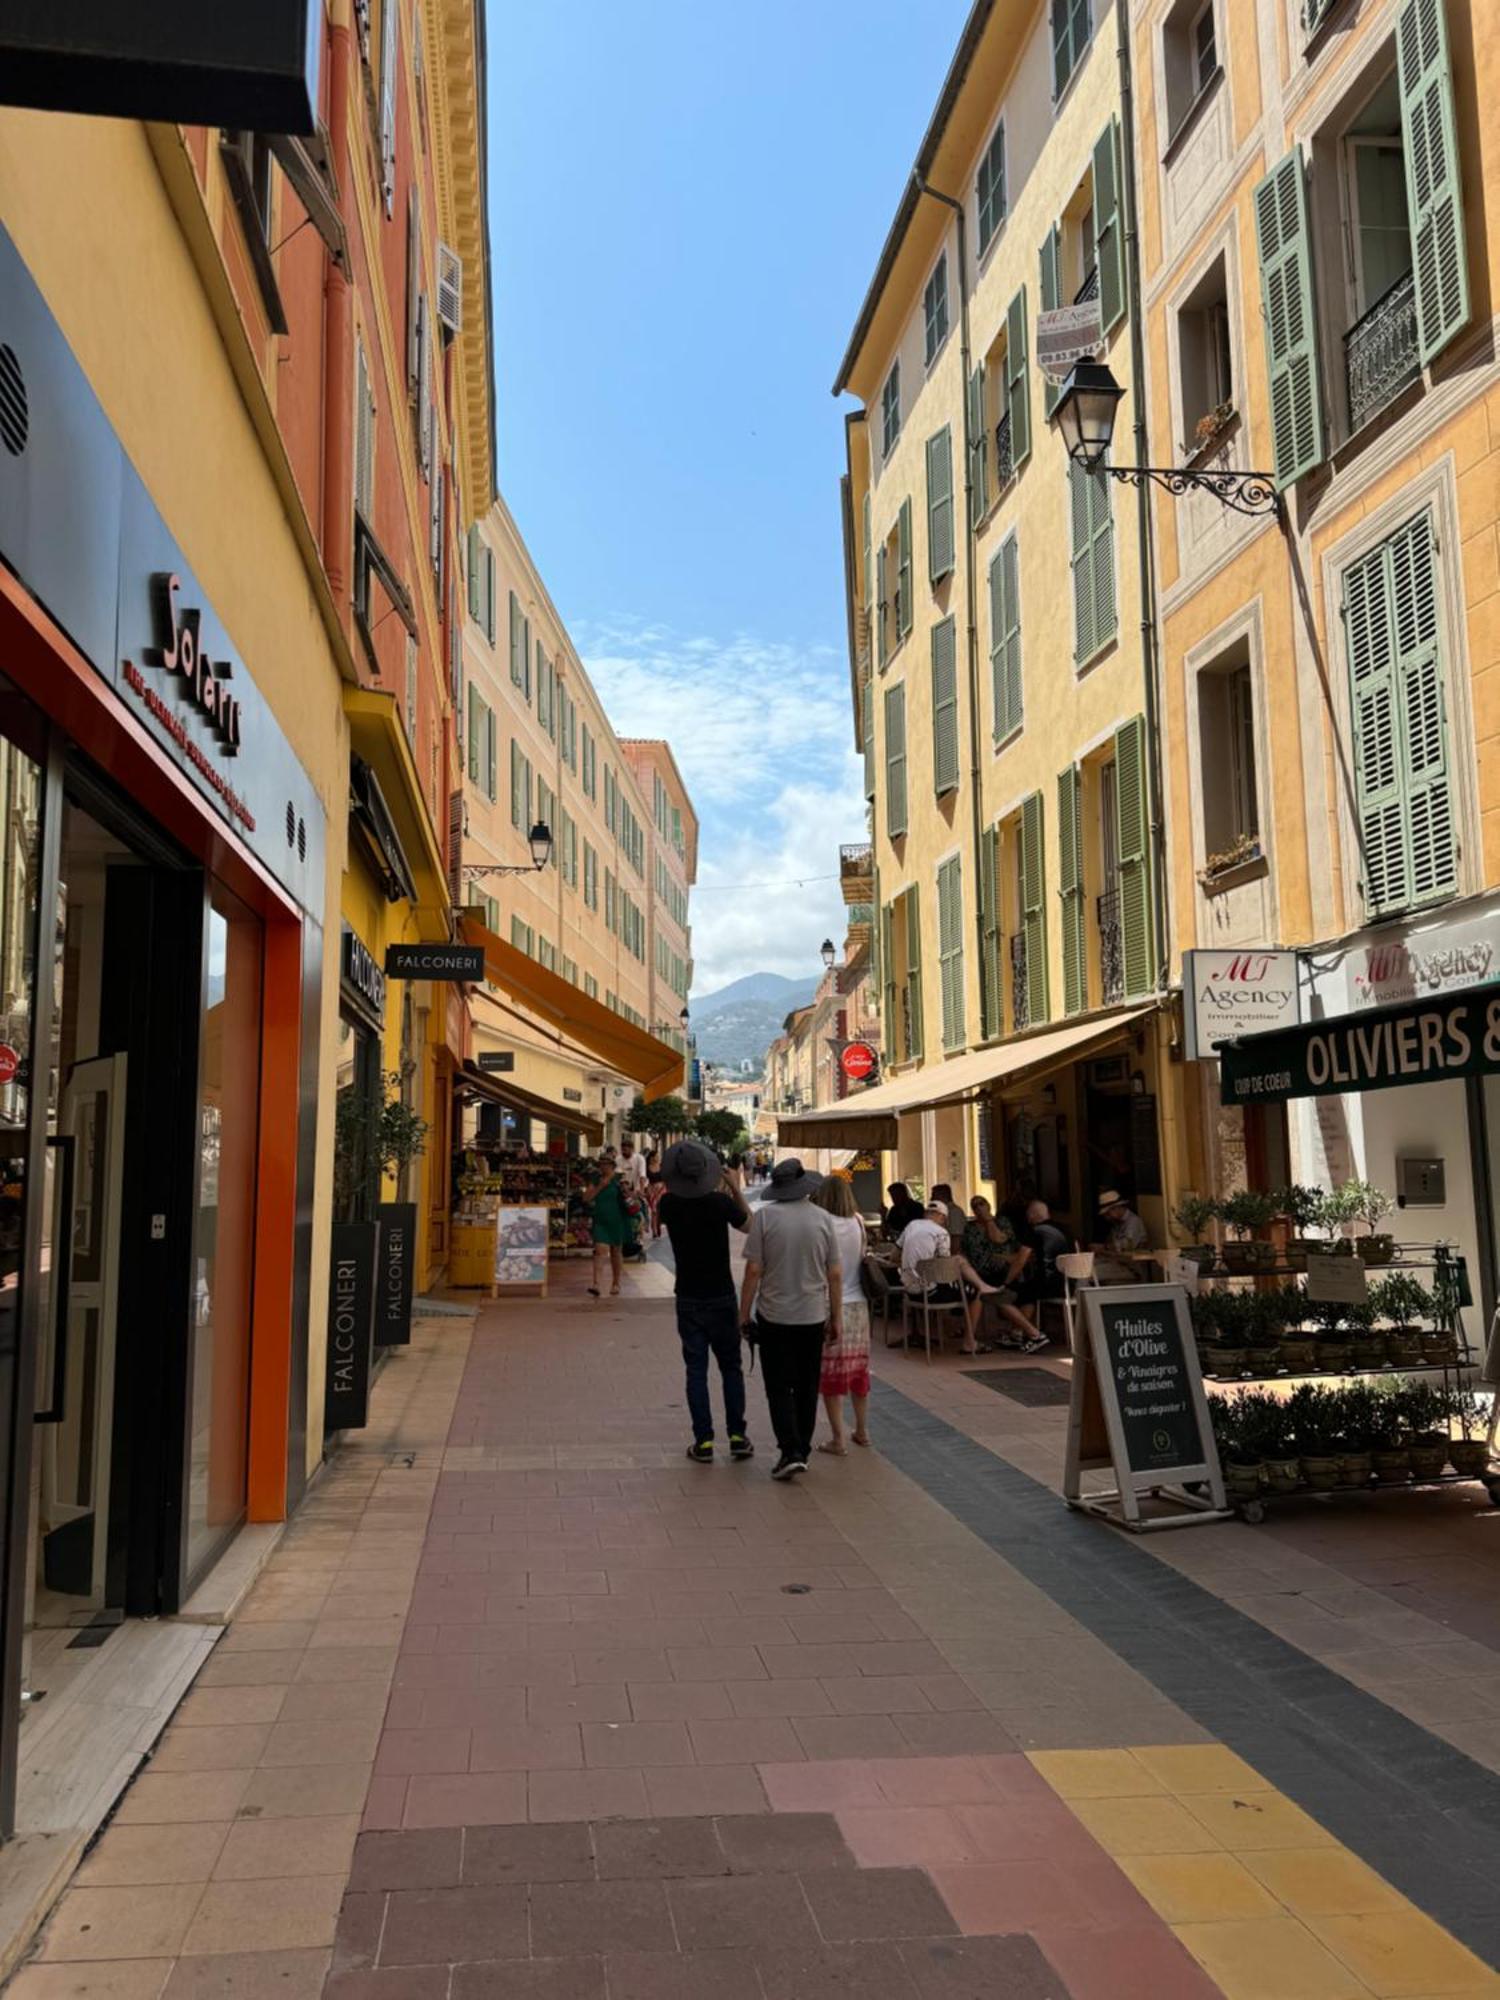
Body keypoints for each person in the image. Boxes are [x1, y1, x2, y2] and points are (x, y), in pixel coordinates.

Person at [739, 1158, 842, 1480]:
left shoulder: (765, 1218)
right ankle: (803, 1449)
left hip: (774, 1315)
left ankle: (790, 1450)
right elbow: (835, 1273)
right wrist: (835, 1316)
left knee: (779, 1386)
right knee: (808, 1385)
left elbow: (754, 1270)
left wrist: (743, 1313)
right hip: (812, 1315)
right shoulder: (824, 1219)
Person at [657, 1140, 753, 1464]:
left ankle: (704, 1441)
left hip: (687, 1296)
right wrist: (735, 1189)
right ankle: (738, 1437)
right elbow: (751, 1226)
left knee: (696, 1371)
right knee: (731, 1368)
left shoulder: (668, 1205)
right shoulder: (719, 1204)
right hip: (722, 1295)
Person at [811, 1176, 871, 1454]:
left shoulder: (822, 1225)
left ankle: (838, 1439)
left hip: (830, 1305)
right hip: (859, 1304)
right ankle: (862, 1429)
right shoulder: (859, 1221)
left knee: (832, 1374)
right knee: (858, 1370)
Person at [898, 1201, 999, 1356]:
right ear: (942, 1217)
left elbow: (895, 1252)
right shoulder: (940, 1232)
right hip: (930, 1291)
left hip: (909, 1290)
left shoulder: (911, 1225)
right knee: (976, 1292)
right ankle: (969, 1342)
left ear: (926, 1214)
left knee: (957, 1275)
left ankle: (952, 1328)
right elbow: (946, 1265)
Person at [991, 1198, 1070, 1350]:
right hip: (1070, 1283)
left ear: (1033, 1215)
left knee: (1001, 1296)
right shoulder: (1066, 1229)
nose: (1027, 1218)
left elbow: (1021, 1260)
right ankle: (1017, 1333)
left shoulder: (1035, 1231)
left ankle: (1034, 1334)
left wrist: (1006, 1283)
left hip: (1049, 1283)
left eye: (1028, 1214)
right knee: (1028, 1294)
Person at [580, 1157, 632, 1297]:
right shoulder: (596, 1179)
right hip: (601, 1220)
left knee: (616, 1251)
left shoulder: (620, 1179)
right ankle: (596, 1284)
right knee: (600, 1250)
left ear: (612, 1166)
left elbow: (630, 1196)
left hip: (617, 1220)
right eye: (601, 1164)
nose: (602, 1167)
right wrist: (600, 1186)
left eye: (605, 1164)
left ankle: (616, 1283)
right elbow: (586, 1198)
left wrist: (626, 1190)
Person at [962, 1194, 1023, 1287]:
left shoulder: (1002, 1222)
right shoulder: (970, 1227)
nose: (978, 1207)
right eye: (975, 1206)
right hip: (978, 1269)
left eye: (981, 1203)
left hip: (1001, 1268)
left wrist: (988, 1219)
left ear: (988, 1205)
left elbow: (998, 1239)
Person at [1093, 1188, 1148, 1282]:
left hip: (1131, 1267)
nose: (1107, 1217)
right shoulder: (1116, 1225)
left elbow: (1126, 1246)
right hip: (1117, 1263)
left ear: (1116, 1208)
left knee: (1088, 1273)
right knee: (1084, 1267)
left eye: (1108, 1213)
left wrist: (1104, 1247)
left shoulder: (1134, 1222)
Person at [645, 1146, 665, 1238]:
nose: (658, 1157)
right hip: (651, 1190)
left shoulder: (661, 1166)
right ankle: (654, 1230)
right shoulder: (647, 1167)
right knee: (654, 1210)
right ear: (652, 1157)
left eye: (658, 1156)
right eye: (656, 1156)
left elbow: (665, 1179)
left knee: (659, 1210)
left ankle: (657, 1226)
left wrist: (663, 1188)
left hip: (661, 1189)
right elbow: (645, 1179)